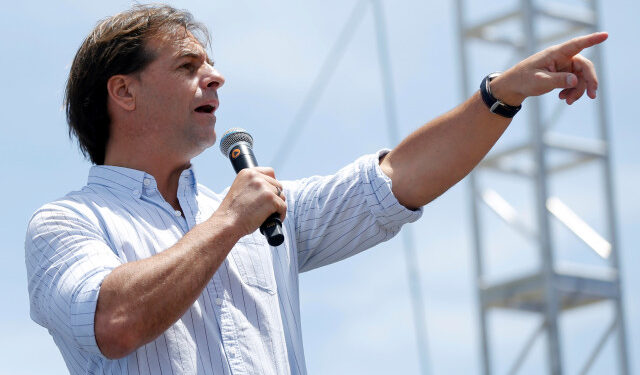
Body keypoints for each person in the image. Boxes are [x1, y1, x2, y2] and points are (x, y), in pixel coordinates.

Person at [24, 4, 607, 375]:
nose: (217, 75)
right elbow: (113, 323)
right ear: (123, 94)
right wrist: (228, 223)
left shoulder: (267, 211)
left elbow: (396, 180)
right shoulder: (67, 224)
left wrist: (501, 93)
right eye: (187, 66)